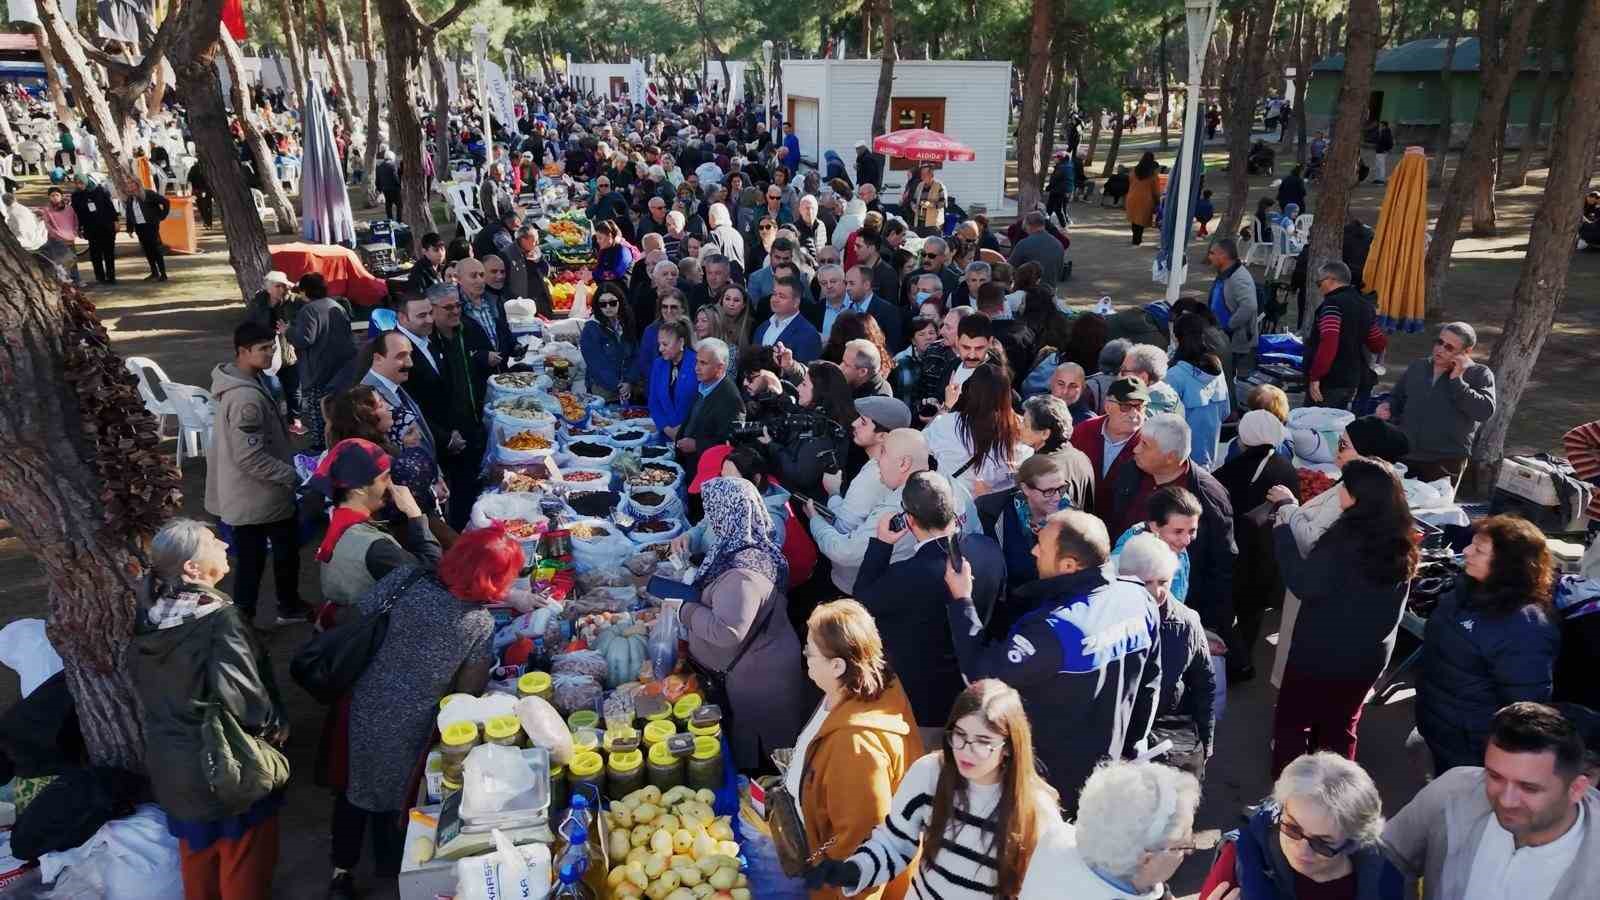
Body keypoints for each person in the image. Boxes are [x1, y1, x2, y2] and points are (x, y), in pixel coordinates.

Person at [335, 528, 514, 898]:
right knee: (401, 792)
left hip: (366, 698)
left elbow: (358, 615)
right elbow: (468, 691)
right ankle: (390, 865)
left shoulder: (406, 577)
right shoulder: (477, 622)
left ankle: (342, 871)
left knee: (356, 784)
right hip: (413, 719)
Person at [943, 510, 1160, 811]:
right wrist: (1128, 749)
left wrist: (962, 601)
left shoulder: (1052, 630)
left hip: (1048, 787)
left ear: (1069, 565)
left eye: (1041, 547)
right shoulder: (1139, 600)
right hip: (1108, 772)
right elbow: (1150, 686)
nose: (1033, 550)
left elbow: (981, 678)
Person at [131, 519, 288, 900]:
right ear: (192, 569)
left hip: (173, 766)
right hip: (224, 760)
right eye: (212, 541)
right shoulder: (218, 619)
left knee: (198, 857)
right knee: (243, 861)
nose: (222, 542)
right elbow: (247, 700)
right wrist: (274, 728)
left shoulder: (150, 616)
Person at [806, 680, 1067, 900]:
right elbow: (894, 843)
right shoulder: (930, 773)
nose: (966, 750)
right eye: (960, 735)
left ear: (1009, 746)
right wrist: (852, 870)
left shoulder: (1038, 810)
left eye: (983, 742)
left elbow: (1045, 889)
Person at [1267, 457, 1416, 775]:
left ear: (1359, 497)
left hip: (1320, 652)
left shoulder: (1343, 540)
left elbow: (1304, 582)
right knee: (1340, 726)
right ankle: (1335, 796)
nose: (1339, 493)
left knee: (1294, 723)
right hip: (1367, 658)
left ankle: (1290, 798)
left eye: (1344, 487)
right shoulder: (1401, 542)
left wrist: (1282, 533)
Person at [1381, 702, 1600, 899]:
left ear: (1577, 788)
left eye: (1529, 788)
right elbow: (1386, 855)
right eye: (1494, 776)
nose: (1506, 800)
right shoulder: (1453, 791)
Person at [854, 471, 1006, 743]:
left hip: (925, 707)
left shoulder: (906, 576)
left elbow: (863, 600)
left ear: (909, 520)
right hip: (978, 696)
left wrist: (881, 545)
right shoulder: (989, 550)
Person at [790, 600, 924, 900]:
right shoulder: (860, 685)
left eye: (809, 652)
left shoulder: (857, 747)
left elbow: (860, 849)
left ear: (837, 665)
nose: (806, 659)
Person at [676, 477, 809, 771]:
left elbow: (728, 632)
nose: (710, 520)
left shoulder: (743, 574)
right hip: (756, 669)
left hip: (758, 680)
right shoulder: (745, 546)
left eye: (713, 513)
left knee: (768, 760)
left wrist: (683, 611)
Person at [1416, 515, 1560, 775]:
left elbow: (1523, 706)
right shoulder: (1465, 590)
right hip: (1439, 725)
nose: (1467, 551)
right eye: (1472, 544)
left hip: (1472, 747)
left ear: (1507, 564)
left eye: (1479, 550)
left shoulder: (1524, 628)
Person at [206, 321, 309, 627]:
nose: (270, 354)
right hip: (259, 495)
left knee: (270, 556)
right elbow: (250, 456)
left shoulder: (249, 381)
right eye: (263, 349)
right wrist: (292, 475)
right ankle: (253, 619)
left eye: (272, 346)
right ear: (242, 351)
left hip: (254, 494)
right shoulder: (246, 399)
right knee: (260, 561)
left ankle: (273, 610)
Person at [1201, 753, 1405, 900]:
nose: (1301, 849)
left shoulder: (1383, 881)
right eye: (1292, 828)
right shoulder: (1237, 861)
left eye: (1321, 842)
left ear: (1353, 841)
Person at [306, 438, 441, 623]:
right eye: (385, 477)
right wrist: (416, 516)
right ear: (359, 489)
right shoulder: (374, 547)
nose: (391, 485)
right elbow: (431, 579)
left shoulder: (340, 522)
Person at [1117, 534, 1215, 775]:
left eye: (1164, 581)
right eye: (1147, 582)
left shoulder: (1187, 622)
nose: (1157, 592)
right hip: (1117, 735)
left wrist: (1206, 743)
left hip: (1167, 733)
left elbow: (1205, 684)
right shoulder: (1111, 618)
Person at [1213, 410, 1299, 672]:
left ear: (1244, 436)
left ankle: (1222, 662)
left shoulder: (1229, 470)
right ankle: (1243, 663)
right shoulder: (1286, 470)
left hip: (1231, 555)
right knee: (1251, 616)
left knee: (1226, 613)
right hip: (1265, 558)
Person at [1378, 321, 1497, 484]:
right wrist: (1388, 406)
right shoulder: (1418, 366)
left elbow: (1484, 411)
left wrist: (1457, 380)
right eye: (1439, 342)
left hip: (1445, 462)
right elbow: (1397, 397)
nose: (1440, 349)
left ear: (1466, 352)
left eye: (1449, 347)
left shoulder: (1479, 374)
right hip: (1405, 454)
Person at [925, 363, 1033, 495]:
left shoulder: (947, 423)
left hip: (947, 501)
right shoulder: (1021, 430)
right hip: (986, 511)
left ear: (970, 390)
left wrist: (947, 406)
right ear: (1007, 395)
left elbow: (919, 441)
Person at [287, 274, 357, 452]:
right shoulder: (337, 305)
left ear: (305, 291)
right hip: (339, 368)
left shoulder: (309, 310)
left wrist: (287, 330)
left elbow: (304, 339)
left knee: (319, 412)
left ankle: (321, 448)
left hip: (317, 369)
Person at [1303, 261, 1386, 410]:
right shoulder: (1366, 306)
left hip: (1328, 380)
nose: (1319, 287)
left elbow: (1329, 342)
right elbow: (1378, 343)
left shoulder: (1332, 305)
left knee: (1313, 427)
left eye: (1319, 282)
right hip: (1351, 379)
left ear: (1331, 280)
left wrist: (1315, 376)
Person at [1071, 376, 1149, 513]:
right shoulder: (1084, 430)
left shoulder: (1150, 442)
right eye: (1125, 406)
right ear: (1107, 407)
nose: (1134, 414)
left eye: (1139, 406)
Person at [1166, 314, 1231, 467]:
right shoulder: (1217, 369)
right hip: (1209, 457)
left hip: (1181, 461)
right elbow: (1225, 412)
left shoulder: (1174, 375)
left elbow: (1166, 423)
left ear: (1176, 338)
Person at [675, 337, 743, 462]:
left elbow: (730, 442)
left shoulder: (731, 399)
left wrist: (697, 445)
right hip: (686, 462)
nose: (696, 368)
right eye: (697, 362)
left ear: (720, 368)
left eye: (703, 363)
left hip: (705, 468)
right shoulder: (704, 383)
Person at [1207, 238, 1258, 379]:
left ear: (1223, 256)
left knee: (1230, 383)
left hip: (1236, 345)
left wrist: (1228, 326)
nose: (1209, 256)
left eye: (1212, 253)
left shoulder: (1239, 278)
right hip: (1222, 339)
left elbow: (1249, 306)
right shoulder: (1224, 274)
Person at [579, 285, 637, 401]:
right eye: (603, 304)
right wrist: (618, 386)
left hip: (627, 388)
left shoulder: (625, 323)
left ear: (620, 301)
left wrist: (629, 381)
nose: (608, 307)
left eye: (612, 302)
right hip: (603, 391)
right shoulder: (591, 328)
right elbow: (596, 364)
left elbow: (635, 354)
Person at [649, 319, 699, 439]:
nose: (660, 349)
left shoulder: (697, 363)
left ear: (681, 342)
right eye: (659, 344)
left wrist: (683, 429)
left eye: (665, 344)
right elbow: (653, 401)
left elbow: (702, 404)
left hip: (692, 435)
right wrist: (667, 429)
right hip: (665, 434)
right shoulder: (658, 364)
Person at [756, 275, 823, 361]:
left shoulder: (809, 334)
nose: (775, 299)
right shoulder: (762, 327)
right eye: (774, 294)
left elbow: (807, 371)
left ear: (796, 302)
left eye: (782, 296)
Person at [1118, 342, 1184, 420]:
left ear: (1143, 377)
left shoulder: (1142, 414)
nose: (1119, 375)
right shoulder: (1171, 396)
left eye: (1124, 370)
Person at [73, 174, 119, 283]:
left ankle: (111, 276)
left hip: (106, 226)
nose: (79, 185)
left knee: (109, 253)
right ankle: (100, 277)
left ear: (86, 182)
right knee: (95, 254)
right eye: (77, 183)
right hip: (91, 228)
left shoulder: (99, 190)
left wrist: (115, 221)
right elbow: (78, 214)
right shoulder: (76, 195)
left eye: (81, 183)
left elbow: (110, 206)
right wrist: (80, 228)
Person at [123, 175, 170, 280]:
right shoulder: (130, 199)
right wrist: (129, 229)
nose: (129, 186)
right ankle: (154, 272)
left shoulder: (148, 194)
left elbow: (165, 202)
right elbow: (129, 214)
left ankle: (163, 273)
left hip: (151, 226)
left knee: (155, 249)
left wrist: (162, 216)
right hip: (140, 227)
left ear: (137, 184)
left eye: (131, 183)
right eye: (128, 184)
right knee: (147, 250)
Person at [1008, 211, 1065, 284]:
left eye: (1025, 228)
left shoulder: (1024, 244)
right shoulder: (1058, 244)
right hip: (1050, 289)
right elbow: (1060, 272)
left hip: (1029, 289)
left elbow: (1009, 268)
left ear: (1028, 226)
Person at [1125, 152, 1161, 245]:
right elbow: (1156, 191)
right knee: (1141, 220)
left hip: (1132, 197)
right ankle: (1137, 239)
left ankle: (1135, 238)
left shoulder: (1133, 171)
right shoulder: (1152, 175)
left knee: (1134, 220)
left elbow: (1130, 182)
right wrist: (1158, 201)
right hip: (1145, 200)